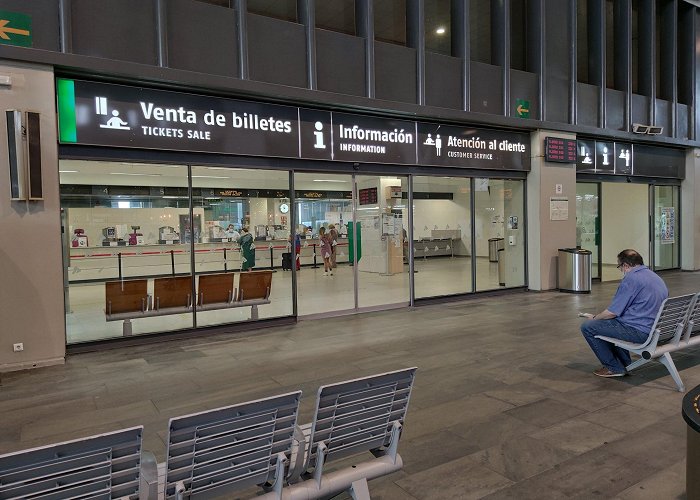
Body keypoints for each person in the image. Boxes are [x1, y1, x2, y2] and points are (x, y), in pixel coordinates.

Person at [580, 249, 668, 377]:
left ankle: (614, 367)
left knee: (588, 327)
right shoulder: (655, 276)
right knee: (613, 323)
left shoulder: (631, 279)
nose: (621, 270)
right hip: (656, 329)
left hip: (641, 332)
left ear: (625, 266)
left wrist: (594, 317)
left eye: (619, 267)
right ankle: (624, 362)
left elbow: (612, 312)